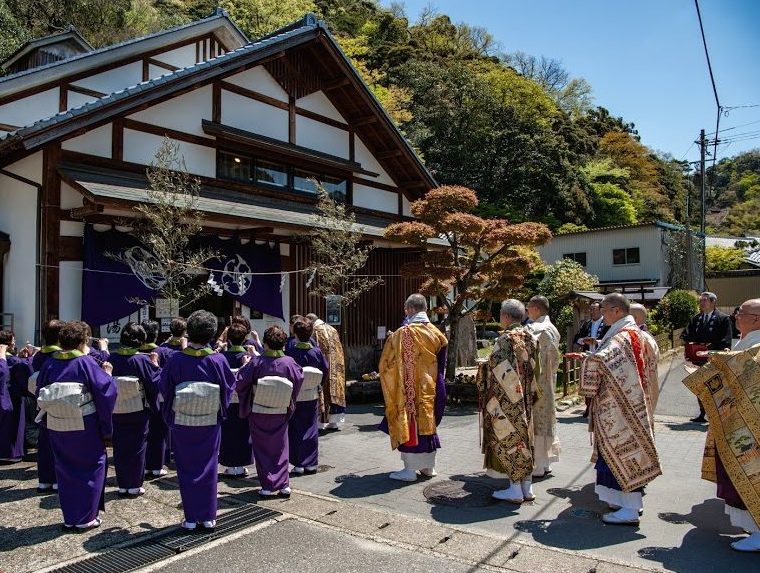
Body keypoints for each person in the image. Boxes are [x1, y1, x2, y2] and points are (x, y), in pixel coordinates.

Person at [684, 298, 760, 552]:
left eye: (741, 313)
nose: (736, 317)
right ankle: (753, 528)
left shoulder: (756, 346)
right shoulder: (747, 341)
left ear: (756, 318)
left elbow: (740, 375)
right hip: (738, 422)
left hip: (750, 426)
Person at [580, 293, 660, 525]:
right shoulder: (632, 332)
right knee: (619, 454)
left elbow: (604, 360)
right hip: (628, 402)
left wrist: (587, 360)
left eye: (604, 310)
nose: (601, 315)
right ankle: (620, 501)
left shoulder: (624, 335)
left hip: (621, 407)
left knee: (623, 453)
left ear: (616, 310)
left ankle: (630, 508)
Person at [34, 321, 117, 531]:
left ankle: (70, 516)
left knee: (64, 468)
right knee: (92, 465)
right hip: (84, 423)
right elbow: (106, 391)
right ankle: (86, 518)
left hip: (56, 423)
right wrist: (108, 376)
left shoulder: (50, 364)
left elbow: (39, 392)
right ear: (83, 342)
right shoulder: (85, 363)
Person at [159, 310, 235, 531]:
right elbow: (228, 388)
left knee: (185, 466)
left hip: (183, 421)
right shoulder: (217, 360)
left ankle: (191, 517)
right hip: (210, 420)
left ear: (188, 333)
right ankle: (209, 516)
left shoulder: (176, 360)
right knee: (209, 465)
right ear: (212, 334)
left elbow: (165, 388)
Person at [378, 294, 448, 482]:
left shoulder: (403, 333)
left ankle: (409, 470)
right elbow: (442, 364)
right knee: (428, 424)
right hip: (432, 385)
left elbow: (387, 363)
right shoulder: (436, 332)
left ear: (409, 309)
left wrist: (391, 341)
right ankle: (428, 467)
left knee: (410, 423)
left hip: (409, 387)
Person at [477, 300, 541, 503]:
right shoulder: (531, 337)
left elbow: (495, 370)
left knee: (509, 439)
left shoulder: (504, 340)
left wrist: (483, 368)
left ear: (505, 317)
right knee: (526, 438)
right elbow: (536, 369)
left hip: (506, 400)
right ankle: (527, 486)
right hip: (526, 399)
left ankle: (514, 488)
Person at [237, 325, 303, 497]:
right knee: (281, 446)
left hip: (259, 410)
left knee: (262, 448)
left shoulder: (256, 362)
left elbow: (240, 383)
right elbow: (298, 380)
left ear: (265, 343)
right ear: (283, 344)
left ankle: (267, 485)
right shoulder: (289, 362)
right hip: (280, 411)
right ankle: (284, 484)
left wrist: (244, 366)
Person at [108, 322, 161, 497]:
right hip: (138, 408)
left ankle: (122, 484)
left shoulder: (112, 359)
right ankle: (134, 485)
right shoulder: (142, 360)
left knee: (120, 445)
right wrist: (155, 366)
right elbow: (155, 384)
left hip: (116, 408)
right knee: (137, 446)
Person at [285, 317, 329, 475]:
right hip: (311, 395)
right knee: (311, 428)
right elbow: (325, 369)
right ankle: (311, 463)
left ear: (295, 333)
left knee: (295, 428)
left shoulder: (290, 352)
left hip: (294, 395)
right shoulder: (316, 351)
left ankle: (298, 464)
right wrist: (318, 385)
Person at [682, 292, 732, 423]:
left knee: (715, 386)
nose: (702, 303)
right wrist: (690, 345)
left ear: (713, 302)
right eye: (701, 301)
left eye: (704, 300)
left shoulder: (723, 318)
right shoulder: (696, 318)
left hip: (713, 359)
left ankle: (717, 413)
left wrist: (713, 347)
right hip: (698, 358)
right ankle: (702, 412)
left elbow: (726, 340)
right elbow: (686, 335)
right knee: (700, 386)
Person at [526, 295, 561, 478]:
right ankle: (546, 462)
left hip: (538, 381)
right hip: (549, 379)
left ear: (537, 310)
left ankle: (538, 465)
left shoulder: (537, 330)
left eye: (529, 307)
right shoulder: (552, 328)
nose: (526, 311)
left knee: (538, 421)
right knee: (547, 419)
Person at [30, 319, 64, 492]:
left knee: (44, 443)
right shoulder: (59, 357)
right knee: (59, 443)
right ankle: (58, 479)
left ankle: (44, 479)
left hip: (42, 404)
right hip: (60, 403)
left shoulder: (38, 356)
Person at [219, 323, 254, 477]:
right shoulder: (249, 357)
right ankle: (241, 465)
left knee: (227, 432)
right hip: (244, 400)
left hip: (226, 401)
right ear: (245, 338)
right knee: (244, 432)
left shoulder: (221, 358)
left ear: (229, 339)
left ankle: (230, 465)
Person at [306, 313, 346, 430]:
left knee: (323, 390)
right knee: (335, 390)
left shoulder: (315, 331)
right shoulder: (332, 329)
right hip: (336, 366)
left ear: (310, 321)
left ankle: (320, 423)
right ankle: (334, 422)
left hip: (323, 366)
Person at [0, 330, 32, 464]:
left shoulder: (10, 358)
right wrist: (29, 357)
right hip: (13, 396)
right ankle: (12, 453)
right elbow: (24, 370)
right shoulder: (13, 360)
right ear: (9, 343)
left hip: (5, 393)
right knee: (14, 426)